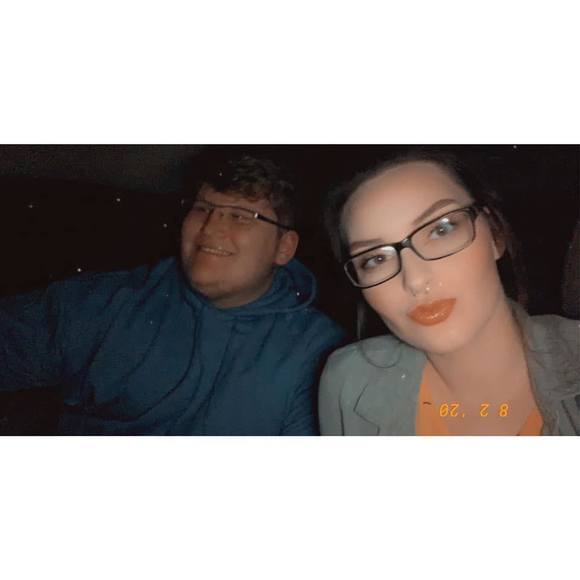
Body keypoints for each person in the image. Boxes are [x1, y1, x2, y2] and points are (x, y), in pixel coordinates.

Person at [0, 155, 344, 435]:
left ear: (284, 247)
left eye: (241, 217)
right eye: (202, 208)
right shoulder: (108, 301)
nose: (211, 228)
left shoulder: (318, 352)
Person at [319, 150, 580, 436]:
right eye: (376, 259)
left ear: (495, 234)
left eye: (441, 230)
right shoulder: (348, 382)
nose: (415, 280)